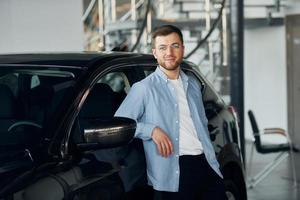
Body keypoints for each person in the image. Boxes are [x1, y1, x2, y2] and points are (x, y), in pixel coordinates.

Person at [115, 25, 227, 200]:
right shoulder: (144, 88)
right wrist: (151, 130)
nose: (169, 52)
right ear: (155, 53)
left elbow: (201, 124)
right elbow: (120, 123)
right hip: (174, 171)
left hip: (207, 165)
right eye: (162, 47)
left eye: (174, 46)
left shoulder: (193, 85)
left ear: (182, 49)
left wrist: (213, 163)